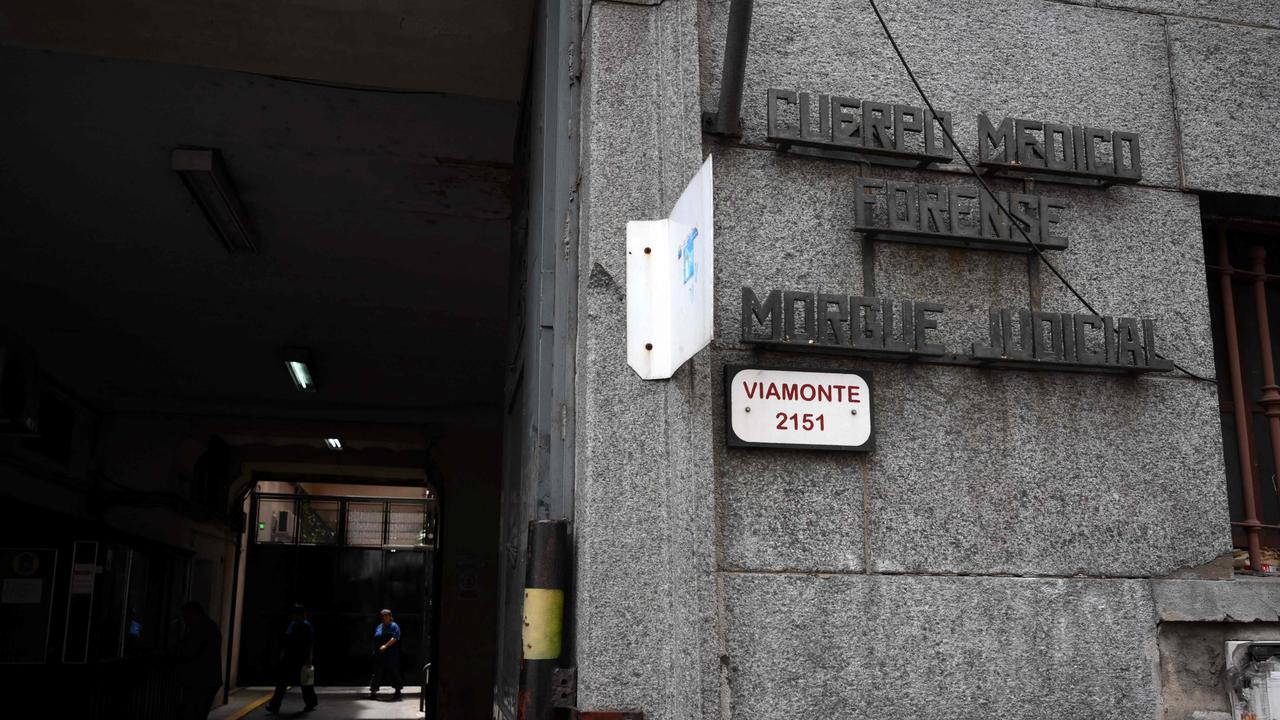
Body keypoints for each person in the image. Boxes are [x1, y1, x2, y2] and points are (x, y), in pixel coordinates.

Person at [173, 601, 222, 720]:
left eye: (186, 617)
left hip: (200, 682)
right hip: (209, 681)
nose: (185, 621)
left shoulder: (200, 629)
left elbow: (188, 651)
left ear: (193, 614)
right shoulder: (211, 626)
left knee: (191, 713)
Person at [266, 603, 318, 714]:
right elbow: (287, 641)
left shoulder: (305, 626)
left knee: (303, 682)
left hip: (299, 658)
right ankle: (275, 705)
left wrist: (309, 658)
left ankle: (310, 703)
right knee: (286, 682)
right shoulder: (294, 625)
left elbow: (309, 644)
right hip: (291, 657)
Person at [369, 608, 403, 700]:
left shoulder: (394, 626)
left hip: (391, 653)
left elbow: (395, 637)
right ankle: (373, 692)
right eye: (382, 616)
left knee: (394, 672)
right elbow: (376, 638)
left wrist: (385, 646)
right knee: (377, 672)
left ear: (390, 617)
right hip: (379, 654)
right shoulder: (379, 626)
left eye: (386, 616)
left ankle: (397, 692)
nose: (384, 617)